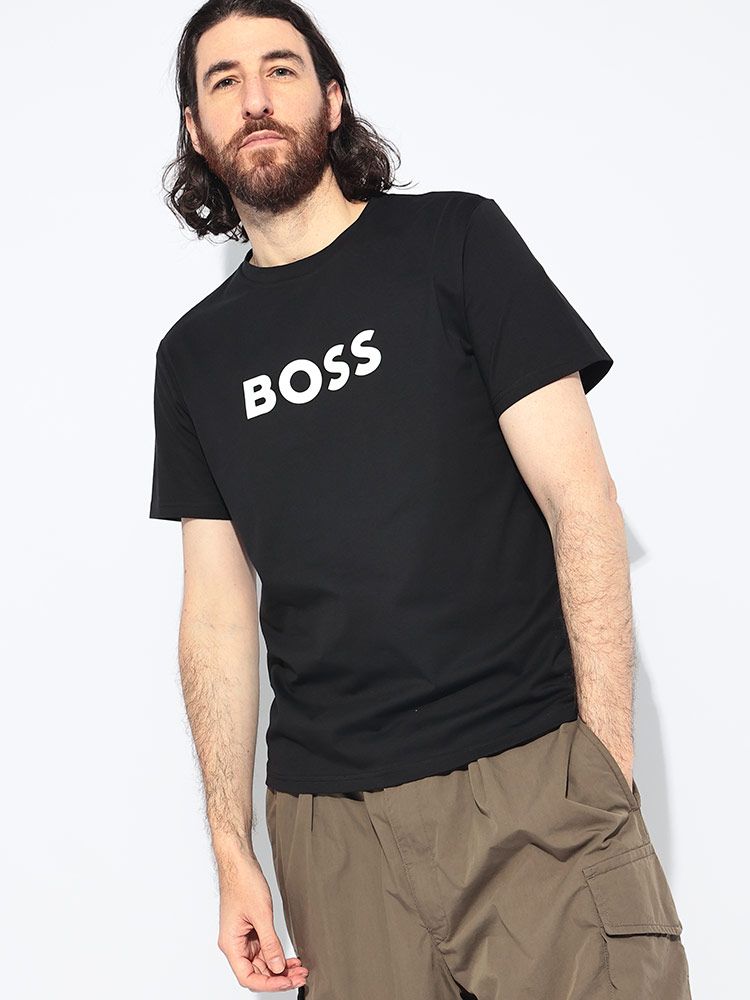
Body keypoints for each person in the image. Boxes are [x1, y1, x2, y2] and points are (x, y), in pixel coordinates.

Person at [149, 1, 693, 997]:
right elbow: (216, 615)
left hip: (526, 778)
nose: (256, 97)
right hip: (330, 831)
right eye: (224, 81)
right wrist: (232, 846)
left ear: (333, 99)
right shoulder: (195, 357)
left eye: (281, 68)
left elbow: (580, 499)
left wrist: (605, 770)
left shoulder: (456, 242)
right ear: (196, 127)